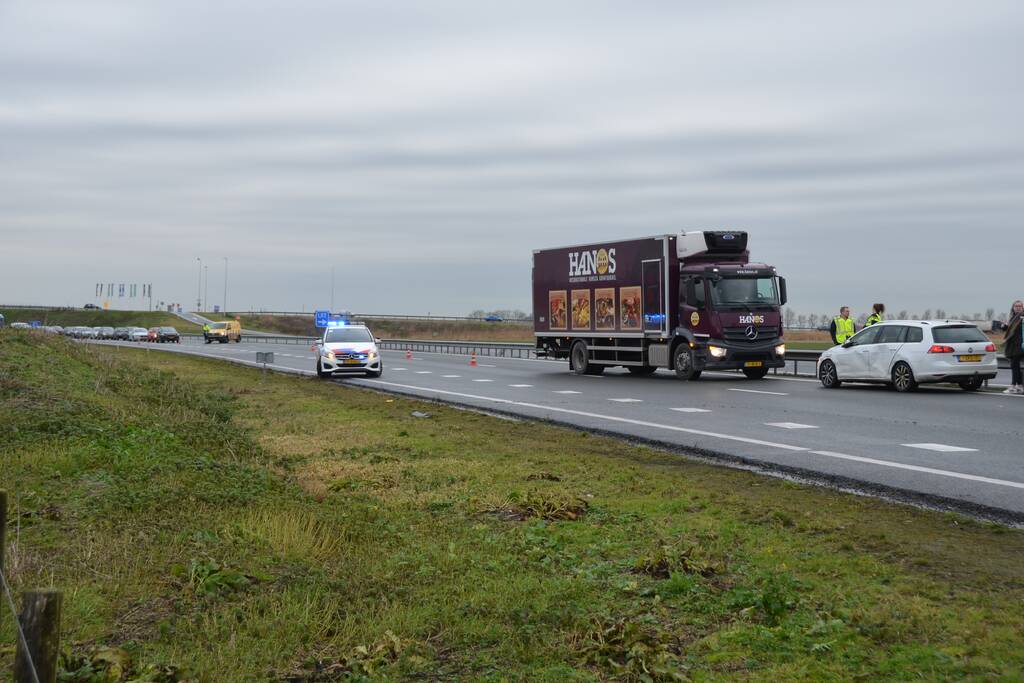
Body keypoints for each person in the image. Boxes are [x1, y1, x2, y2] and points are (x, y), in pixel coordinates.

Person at [1003, 300, 1023, 395]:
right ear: (1013, 307)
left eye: (1020, 306)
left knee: (1014, 365)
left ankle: (1013, 386)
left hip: (1019, 345)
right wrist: (1004, 327)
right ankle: (1019, 386)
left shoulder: (1022, 317)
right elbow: (1010, 330)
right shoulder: (1013, 318)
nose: (1018, 307)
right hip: (1013, 345)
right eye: (1016, 306)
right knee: (1015, 366)